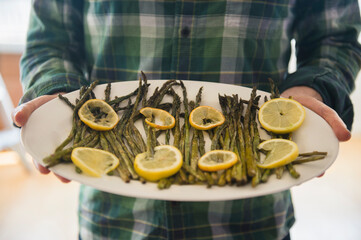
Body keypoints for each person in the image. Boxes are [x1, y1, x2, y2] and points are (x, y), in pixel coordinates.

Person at [12, 0, 360, 239]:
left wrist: (311, 91)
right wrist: (56, 99)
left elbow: (334, 36)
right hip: (115, 218)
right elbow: (50, 41)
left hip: (251, 217)